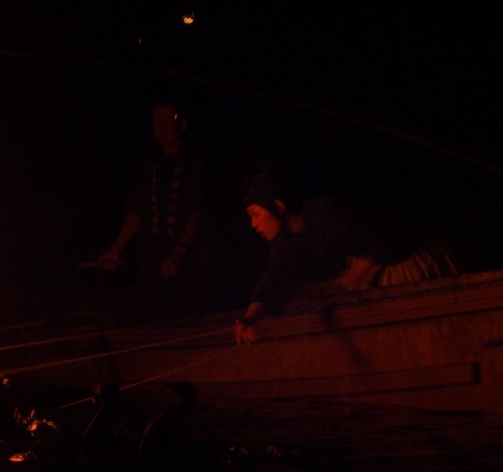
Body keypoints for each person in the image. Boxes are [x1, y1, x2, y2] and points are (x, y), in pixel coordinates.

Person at [234, 161, 383, 346]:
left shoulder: (324, 212)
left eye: (255, 214)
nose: (253, 224)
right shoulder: (285, 242)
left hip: (392, 260)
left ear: (279, 207)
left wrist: (360, 271)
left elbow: (378, 237)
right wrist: (249, 317)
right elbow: (271, 279)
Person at [96, 98, 213, 321]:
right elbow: (136, 211)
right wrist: (115, 250)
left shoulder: (193, 161)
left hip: (187, 259)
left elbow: (195, 211)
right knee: (152, 315)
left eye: (168, 122)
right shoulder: (150, 164)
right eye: (156, 123)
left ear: (182, 125)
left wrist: (178, 253)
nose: (161, 129)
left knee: (185, 319)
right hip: (152, 258)